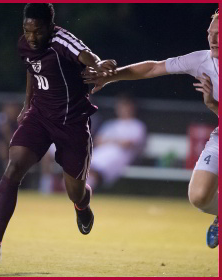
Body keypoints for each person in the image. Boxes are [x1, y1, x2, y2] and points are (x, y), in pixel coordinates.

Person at [0, 3, 117, 269]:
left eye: (37, 31)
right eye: (27, 30)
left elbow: (85, 54)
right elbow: (32, 69)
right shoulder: (24, 44)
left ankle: (82, 205)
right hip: (40, 117)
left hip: (72, 123)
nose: (31, 37)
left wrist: (98, 65)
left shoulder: (62, 40)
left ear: (50, 27)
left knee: (74, 192)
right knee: (14, 167)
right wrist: (27, 104)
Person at [84, 10, 218, 249]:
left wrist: (213, 106)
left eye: (219, 34)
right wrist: (111, 77)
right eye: (210, 33)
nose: (213, 39)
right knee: (199, 197)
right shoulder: (201, 60)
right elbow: (153, 68)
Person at [87, 95, 147, 189]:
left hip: (121, 156)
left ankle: (85, 191)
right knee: (84, 167)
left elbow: (128, 144)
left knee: (95, 169)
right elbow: (98, 141)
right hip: (102, 152)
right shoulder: (110, 124)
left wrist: (110, 140)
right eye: (121, 107)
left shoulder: (137, 125)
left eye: (126, 107)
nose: (123, 109)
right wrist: (117, 141)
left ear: (132, 108)